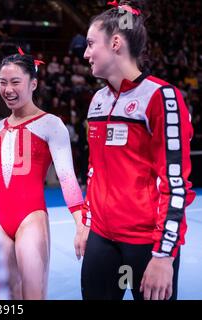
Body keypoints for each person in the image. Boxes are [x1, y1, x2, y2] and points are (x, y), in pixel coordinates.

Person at [81, 0, 195, 300]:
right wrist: (87, 225)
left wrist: (163, 255)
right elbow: (94, 171)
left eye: (91, 43)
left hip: (146, 244)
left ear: (115, 43)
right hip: (102, 240)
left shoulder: (161, 97)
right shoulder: (97, 101)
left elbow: (175, 183)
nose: (85, 53)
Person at [0, 50, 85, 299]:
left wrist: (81, 224)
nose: (8, 89)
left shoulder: (51, 124)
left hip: (30, 217)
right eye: (3, 82)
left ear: (33, 84)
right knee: (7, 295)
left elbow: (67, 178)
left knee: (33, 294)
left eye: (15, 82)